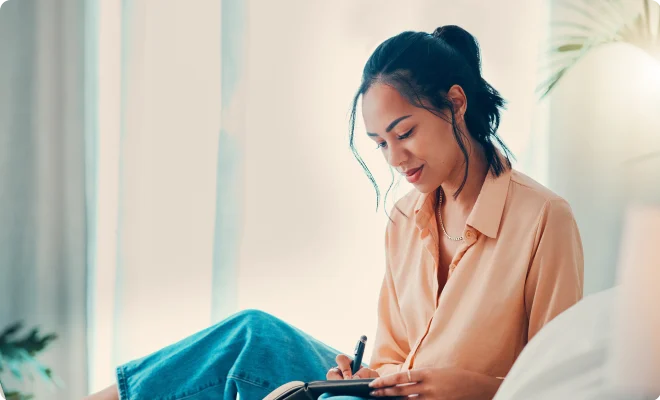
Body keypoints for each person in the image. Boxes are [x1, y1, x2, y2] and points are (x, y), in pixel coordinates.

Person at [85, 25, 584, 400]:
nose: (394, 159)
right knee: (251, 342)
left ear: (455, 104)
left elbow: (563, 385)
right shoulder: (404, 220)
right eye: (380, 143)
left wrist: (471, 387)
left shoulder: (543, 219)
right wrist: (360, 377)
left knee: (253, 336)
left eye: (404, 132)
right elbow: (392, 357)